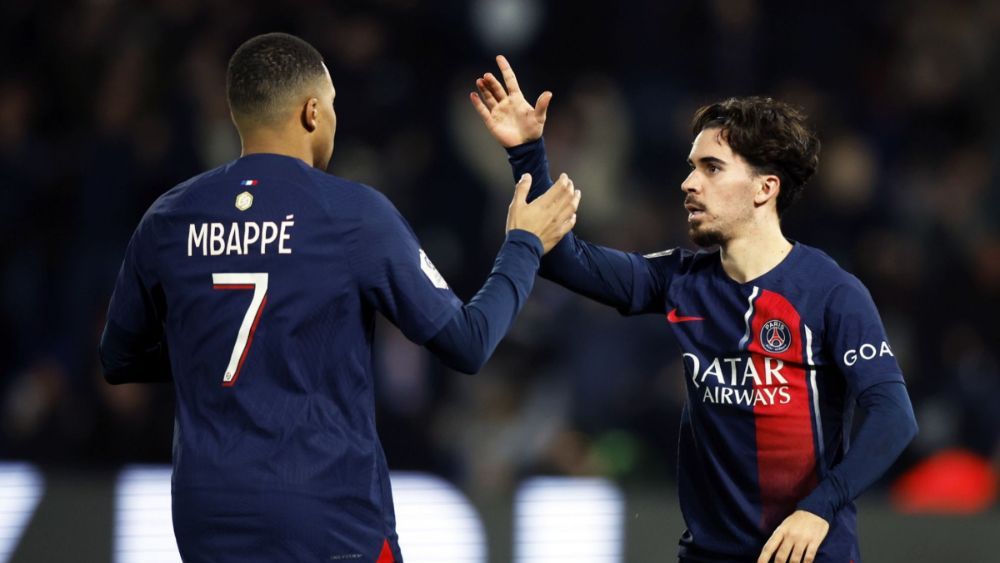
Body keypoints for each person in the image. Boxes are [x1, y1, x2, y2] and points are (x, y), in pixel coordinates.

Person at [98, 33, 580, 563]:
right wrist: (524, 246)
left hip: (206, 513)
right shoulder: (351, 215)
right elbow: (467, 343)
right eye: (331, 106)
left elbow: (118, 358)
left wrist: (221, 353)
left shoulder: (168, 217)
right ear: (311, 112)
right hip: (325, 512)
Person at [470, 56, 918, 563]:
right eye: (690, 167)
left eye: (711, 168)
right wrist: (528, 153)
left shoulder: (831, 291)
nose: (688, 183)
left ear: (764, 188)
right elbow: (565, 259)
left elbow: (894, 417)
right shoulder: (681, 280)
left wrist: (820, 507)